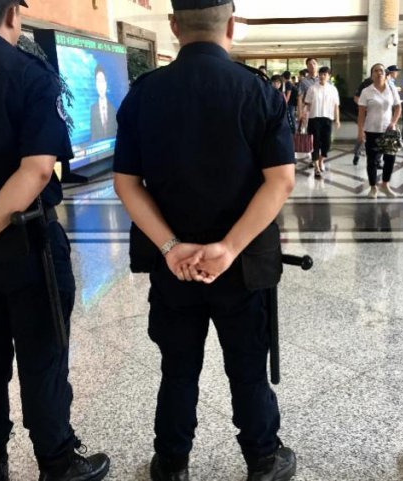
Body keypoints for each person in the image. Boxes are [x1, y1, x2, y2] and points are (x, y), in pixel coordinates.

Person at [112, 1, 297, 480]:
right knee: (248, 367)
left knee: (178, 368)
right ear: (231, 25)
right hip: (241, 266)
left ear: (174, 26)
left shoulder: (144, 94)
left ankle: (172, 463)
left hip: (172, 268)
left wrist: (171, 247)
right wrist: (228, 248)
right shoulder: (258, 91)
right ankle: (262, 459)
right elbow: (280, 180)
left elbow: (127, 183)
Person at [0, 1, 110, 481]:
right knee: (43, 356)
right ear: (12, 14)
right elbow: (37, 170)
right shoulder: (29, 72)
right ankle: (56, 460)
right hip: (28, 247)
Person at [357, 63, 401, 198]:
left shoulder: (391, 89)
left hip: (389, 130)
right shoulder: (366, 91)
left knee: (390, 159)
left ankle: (385, 185)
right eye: (375, 71)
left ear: (386, 74)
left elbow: (398, 107)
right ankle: (373, 187)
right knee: (372, 161)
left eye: (381, 70)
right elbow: (361, 113)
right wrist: (360, 131)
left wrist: (393, 122)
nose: (379, 73)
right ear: (372, 75)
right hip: (371, 130)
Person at [305, 66, 341, 178]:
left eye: (325, 74)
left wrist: (337, 119)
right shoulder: (312, 88)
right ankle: (316, 167)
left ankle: (321, 160)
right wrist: (303, 115)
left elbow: (336, 106)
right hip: (314, 118)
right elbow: (307, 104)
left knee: (327, 143)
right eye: (320, 74)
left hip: (327, 119)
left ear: (329, 76)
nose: (322, 76)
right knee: (315, 143)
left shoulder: (333, 89)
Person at [90, 64, 118, 141]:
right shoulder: (93, 109)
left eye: (102, 81)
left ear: (106, 83)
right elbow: (93, 136)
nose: (101, 85)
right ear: (95, 84)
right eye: (98, 81)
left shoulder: (113, 108)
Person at [297, 57, 319, 130]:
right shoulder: (304, 81)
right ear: (307, 67)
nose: (312, 66)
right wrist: (300, 113)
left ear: (317, 65)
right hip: (308, 111)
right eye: (310, 64)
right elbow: (300, 98)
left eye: (314, 63)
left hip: (321, 110)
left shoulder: (323, 79)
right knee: (310, 131)